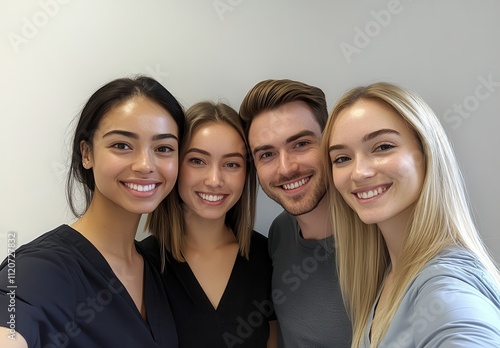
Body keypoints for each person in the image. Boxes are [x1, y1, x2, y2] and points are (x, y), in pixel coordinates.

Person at [0, 76, 185, 348]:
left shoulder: (158, 267)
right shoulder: (40, 269)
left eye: (164, 148)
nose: (146, 165)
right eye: (122, 145)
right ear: (86, 153)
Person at [322, 81, 500, 347]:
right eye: (342, 158)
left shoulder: (445, 282)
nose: (359, 172)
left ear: (426, 152)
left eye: (383, 147)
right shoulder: (391, 274)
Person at [141, 101, 277, 347]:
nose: (215, 180)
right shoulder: (141, 264)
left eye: (232, 164)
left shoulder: (267, 257)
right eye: (197, 161)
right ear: (175, 165)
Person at [239, 79, 352, 347]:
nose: (286, 168)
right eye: (266, 154)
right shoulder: (280, 232)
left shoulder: (382, 234)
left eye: (300, 144)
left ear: (329, 143)